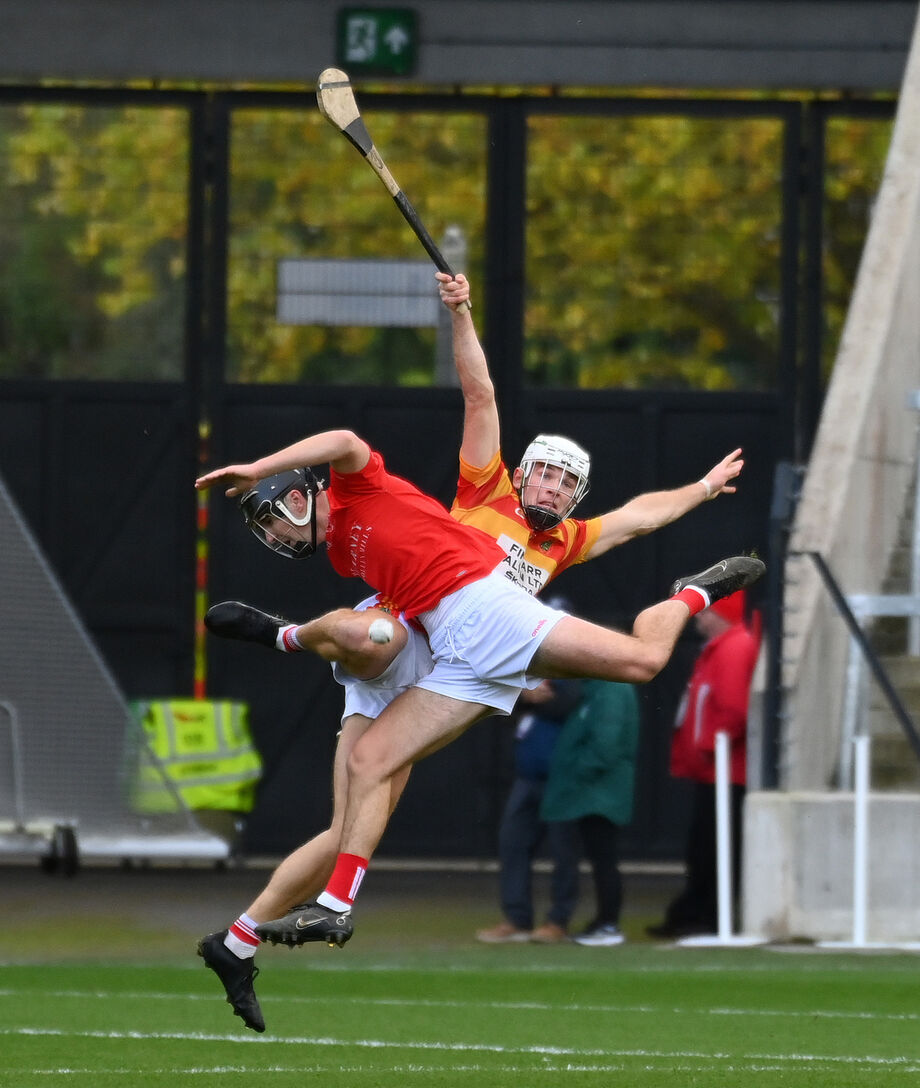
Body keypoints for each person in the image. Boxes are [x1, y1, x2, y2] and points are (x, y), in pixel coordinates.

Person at [195, 272, 757, 1029]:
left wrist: (700, 488)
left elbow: (638, 517)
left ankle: (242, 937)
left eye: (568, 483)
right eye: (547, 473)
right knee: (372, 643)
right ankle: (286, 637)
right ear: (522, 473)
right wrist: (460, 312)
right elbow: (480, 394)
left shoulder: (565, 546)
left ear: (574, 498)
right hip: (416, 631)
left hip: (475, 650)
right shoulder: (483, 490)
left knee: (353, 813)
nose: (554, 489)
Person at [646, 592, 760, 939]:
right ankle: (696, 912)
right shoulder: (725, 647)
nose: (698, 619)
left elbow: (734, 710)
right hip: (716, 768)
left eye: (705, 613)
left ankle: (707, 915)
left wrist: (710, 746)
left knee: (712, 849)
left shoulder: (734, 648)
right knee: (703, 847)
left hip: (725, 769)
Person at [475, 671, 584, 945]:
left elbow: (569, 703)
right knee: (512, 843)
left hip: (562, 777)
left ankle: (558, 920)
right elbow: (501, 705)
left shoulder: (574, 669)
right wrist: (525, 695)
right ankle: (517, 918)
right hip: (527, 776)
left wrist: (531, 698)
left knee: (563, 850)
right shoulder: (532, 668)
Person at [541, 678, 640, 946]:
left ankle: (609, 923)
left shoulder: (611, 690)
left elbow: (606, 746)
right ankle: (604, 921)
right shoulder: (596, 689)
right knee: (601, 858)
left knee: (604, 858)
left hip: (600, 793)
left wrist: (576, 770)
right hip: (594, 792)